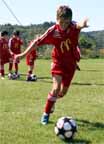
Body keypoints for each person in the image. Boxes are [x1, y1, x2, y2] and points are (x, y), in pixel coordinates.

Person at [15, 5, 88, 125]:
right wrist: (22, 55)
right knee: (55, 88)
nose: (64, 25)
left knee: (62, 93)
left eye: (67, 22)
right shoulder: (52, 31)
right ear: (57, 19)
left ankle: (52, 101)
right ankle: (46, 114)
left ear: (70, 20)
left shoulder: (73, 26)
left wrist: (83, 24)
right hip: (57, 62)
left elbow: (78, 25)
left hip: (71, 64)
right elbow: (36, 43)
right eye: (61, 22)